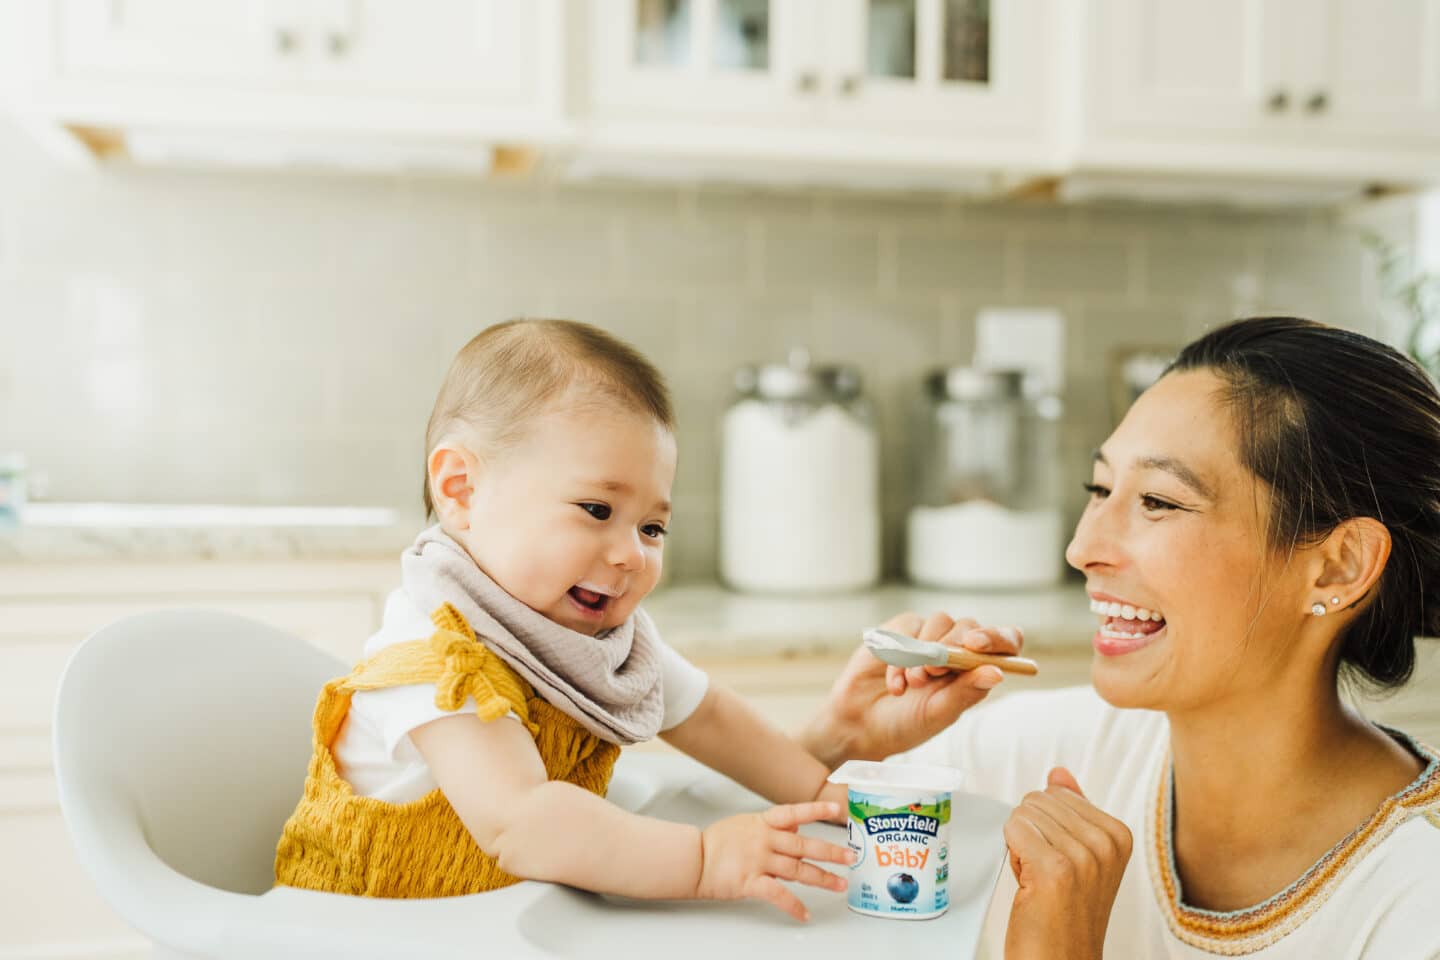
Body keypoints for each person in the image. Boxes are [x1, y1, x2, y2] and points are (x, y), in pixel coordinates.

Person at [800, 317, 1440, 958]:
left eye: (1159, 501)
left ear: (1339, 566)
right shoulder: (1041, 753)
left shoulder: (1417, 898)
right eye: (1101, 488)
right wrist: (841, 744)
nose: (1082, 549)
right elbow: (755, 866)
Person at [274, 318, 853, 921]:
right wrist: (705, 858)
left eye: (652, 527)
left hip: (500, 921)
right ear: (462, 489)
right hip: (358, 931)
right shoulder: (431, 656)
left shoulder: (594, 641)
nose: (632, 552)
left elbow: (705, 715)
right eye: (597, 509)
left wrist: (820, 793)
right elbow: (520, 821)